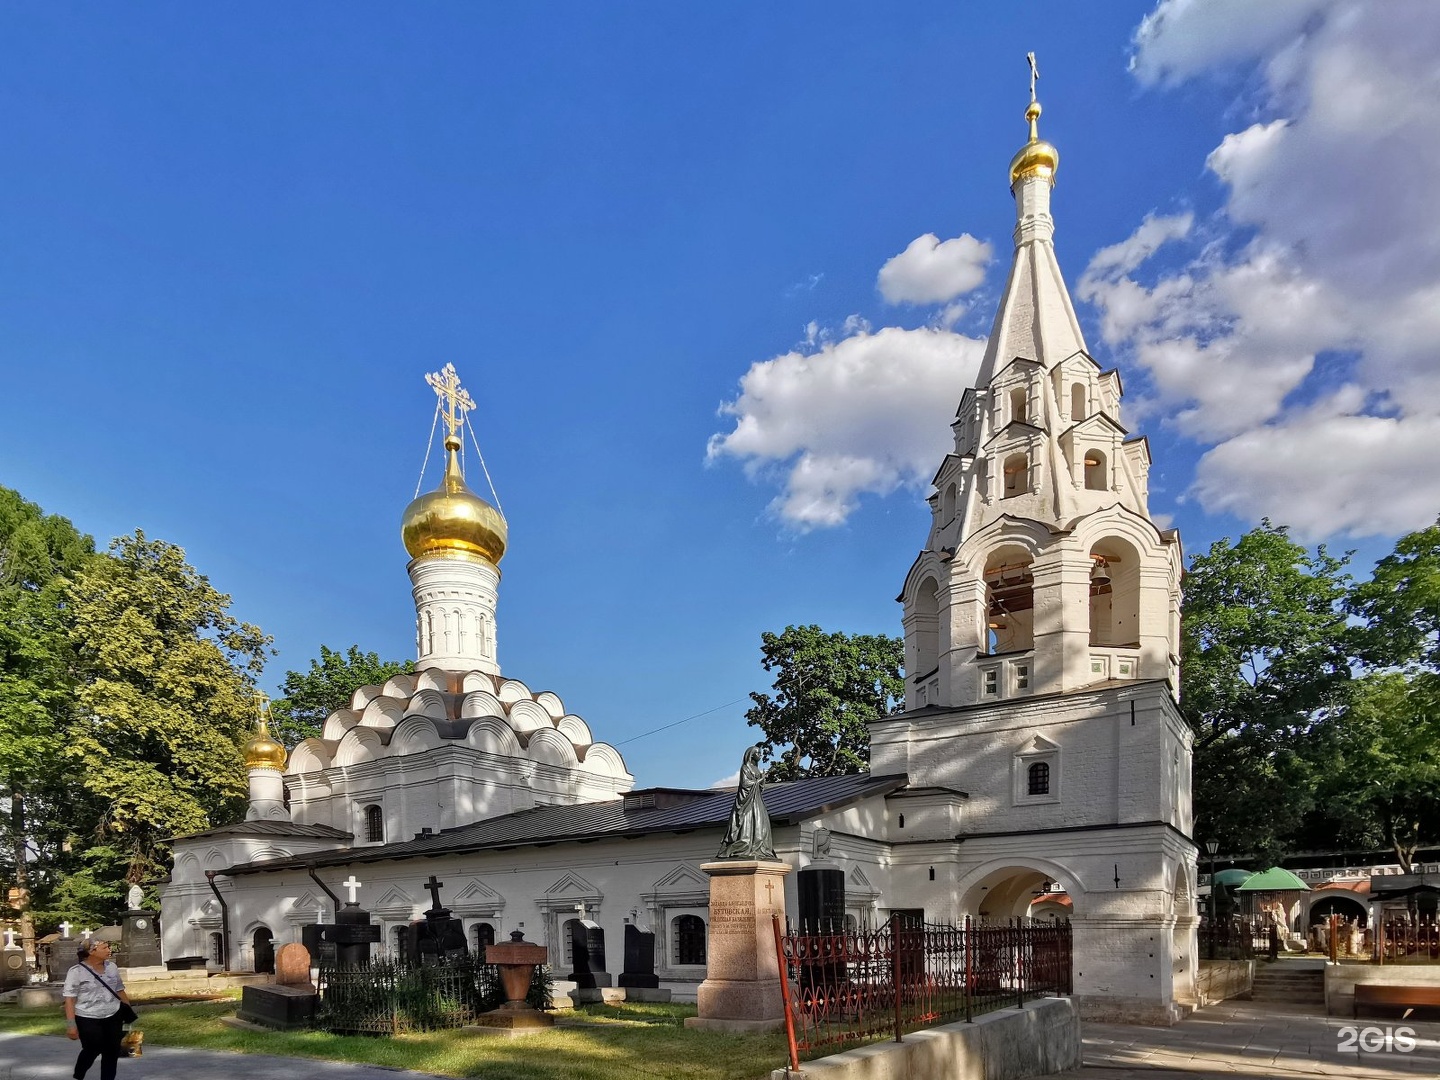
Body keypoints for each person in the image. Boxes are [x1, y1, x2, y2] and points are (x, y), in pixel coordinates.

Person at [63, 938, 133, 1080]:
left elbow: (120, 991)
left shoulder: (112, 967)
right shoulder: (76, 972)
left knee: (112, 1053)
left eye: (109, 947)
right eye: (105, 948)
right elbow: (70, 1000)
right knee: (92, 1049)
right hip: (88, 1017)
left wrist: (128, 1014)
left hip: (113, 1015)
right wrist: (71, 1025)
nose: (109, 950)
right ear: (91, 951)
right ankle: (79, 1074)